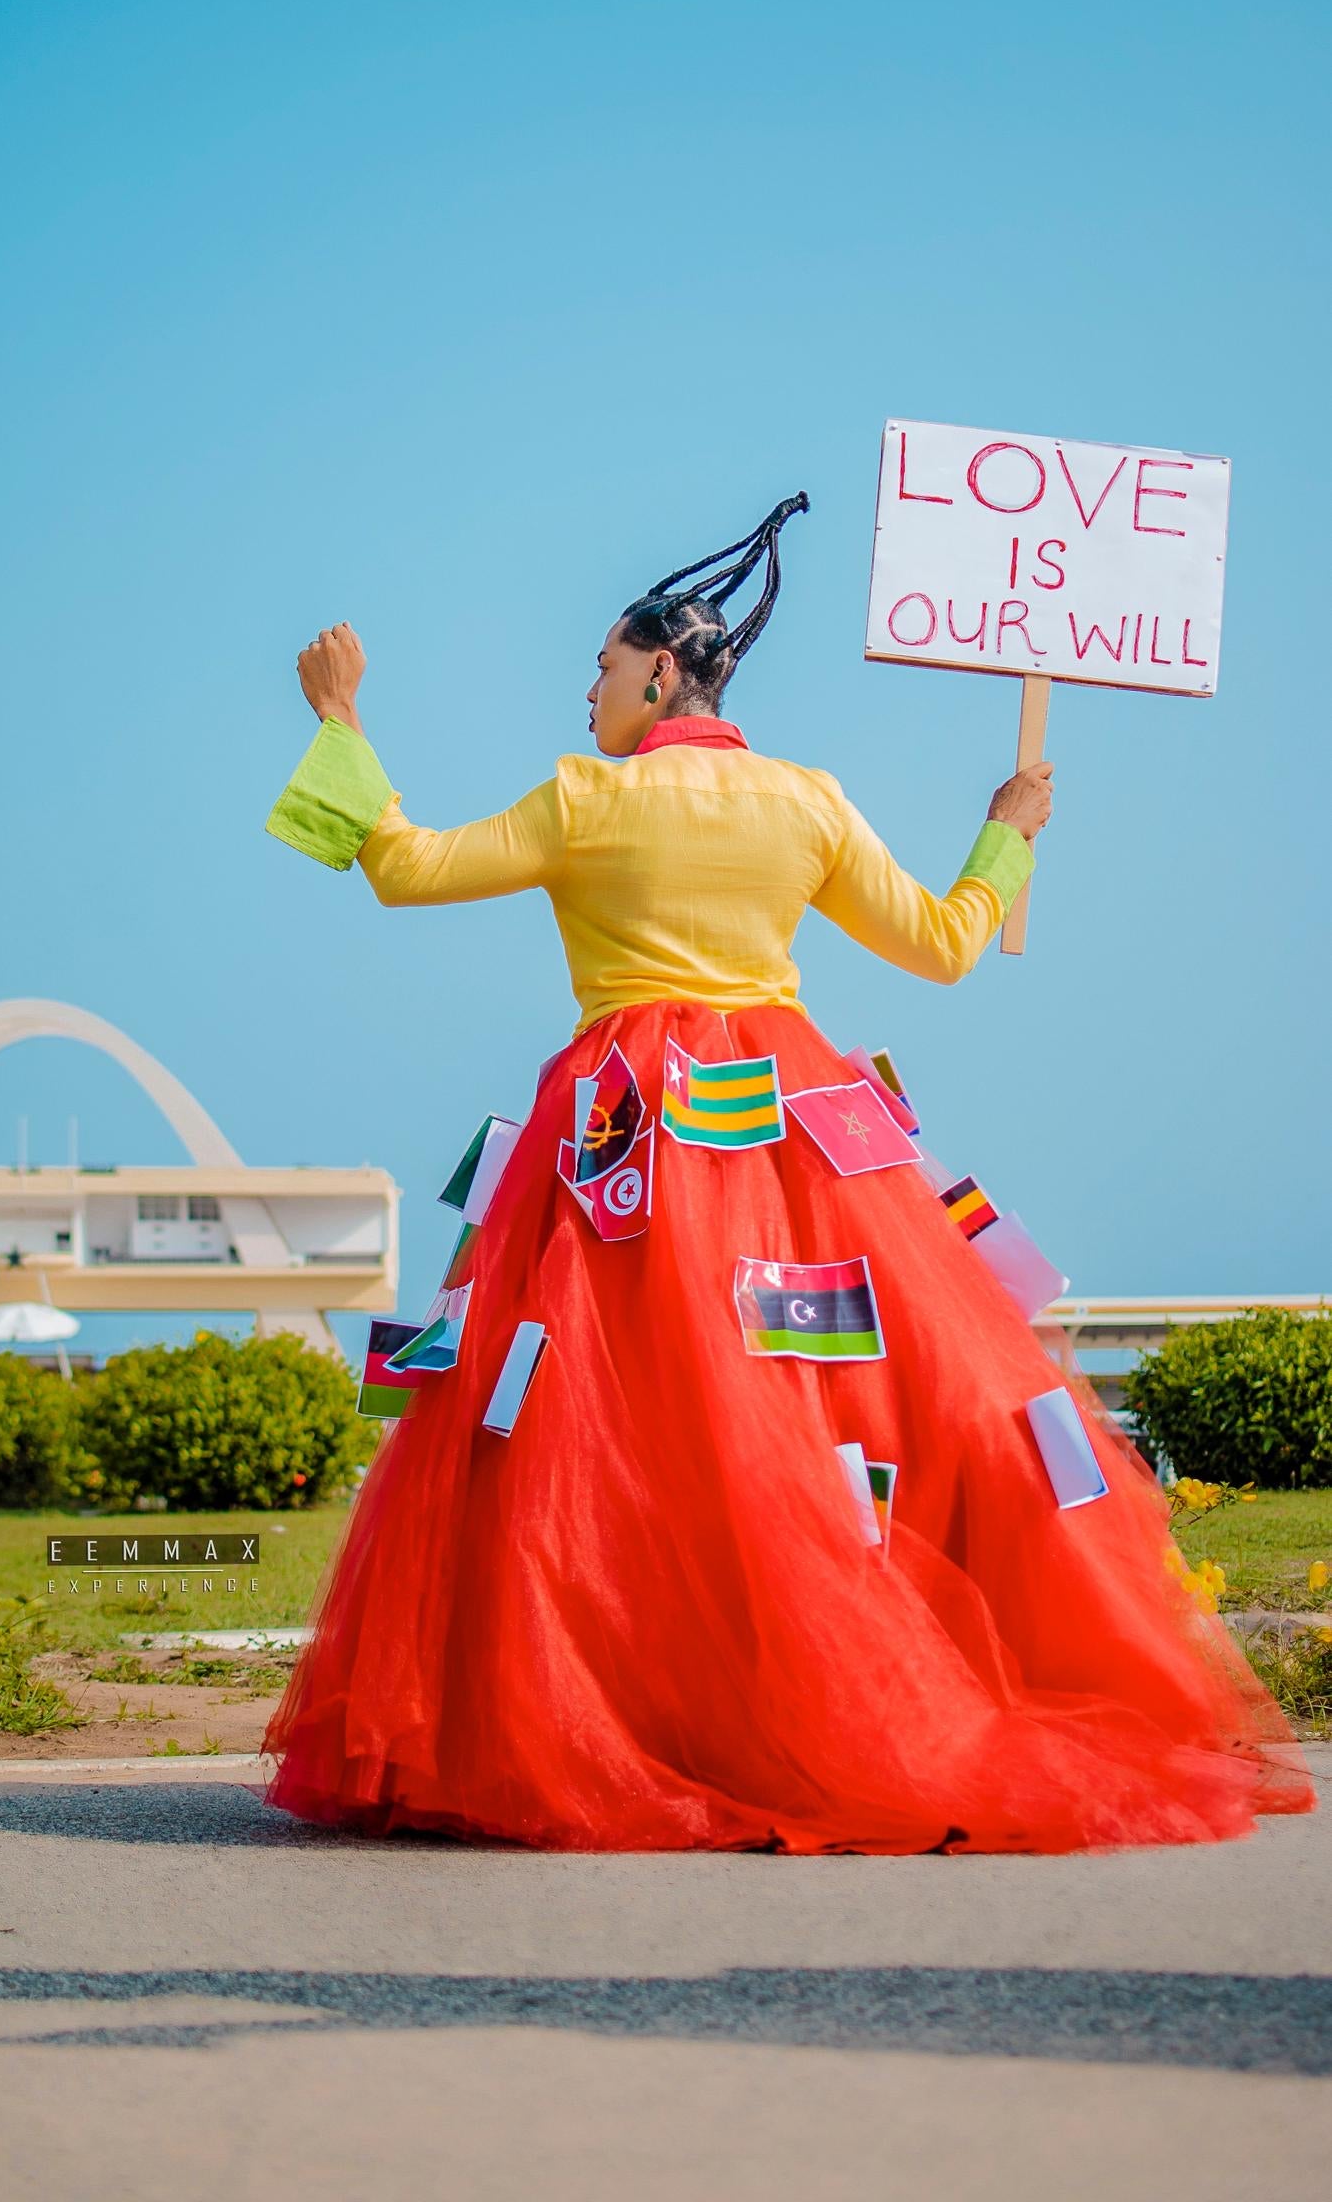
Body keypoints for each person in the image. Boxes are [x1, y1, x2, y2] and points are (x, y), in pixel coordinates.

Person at [259, 501, 1311, 1852]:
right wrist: (1006, 834)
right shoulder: (804, 799)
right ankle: (824, 1699)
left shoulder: (587, 798)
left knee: (596, 1429)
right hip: (788, 1121)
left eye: (598, 666)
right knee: (823, 1405)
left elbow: (401, 870)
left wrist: (341, 718)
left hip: (622, 1132)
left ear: (658, 672)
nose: (583, 690)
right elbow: (939, 945)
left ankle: (622, 1717)